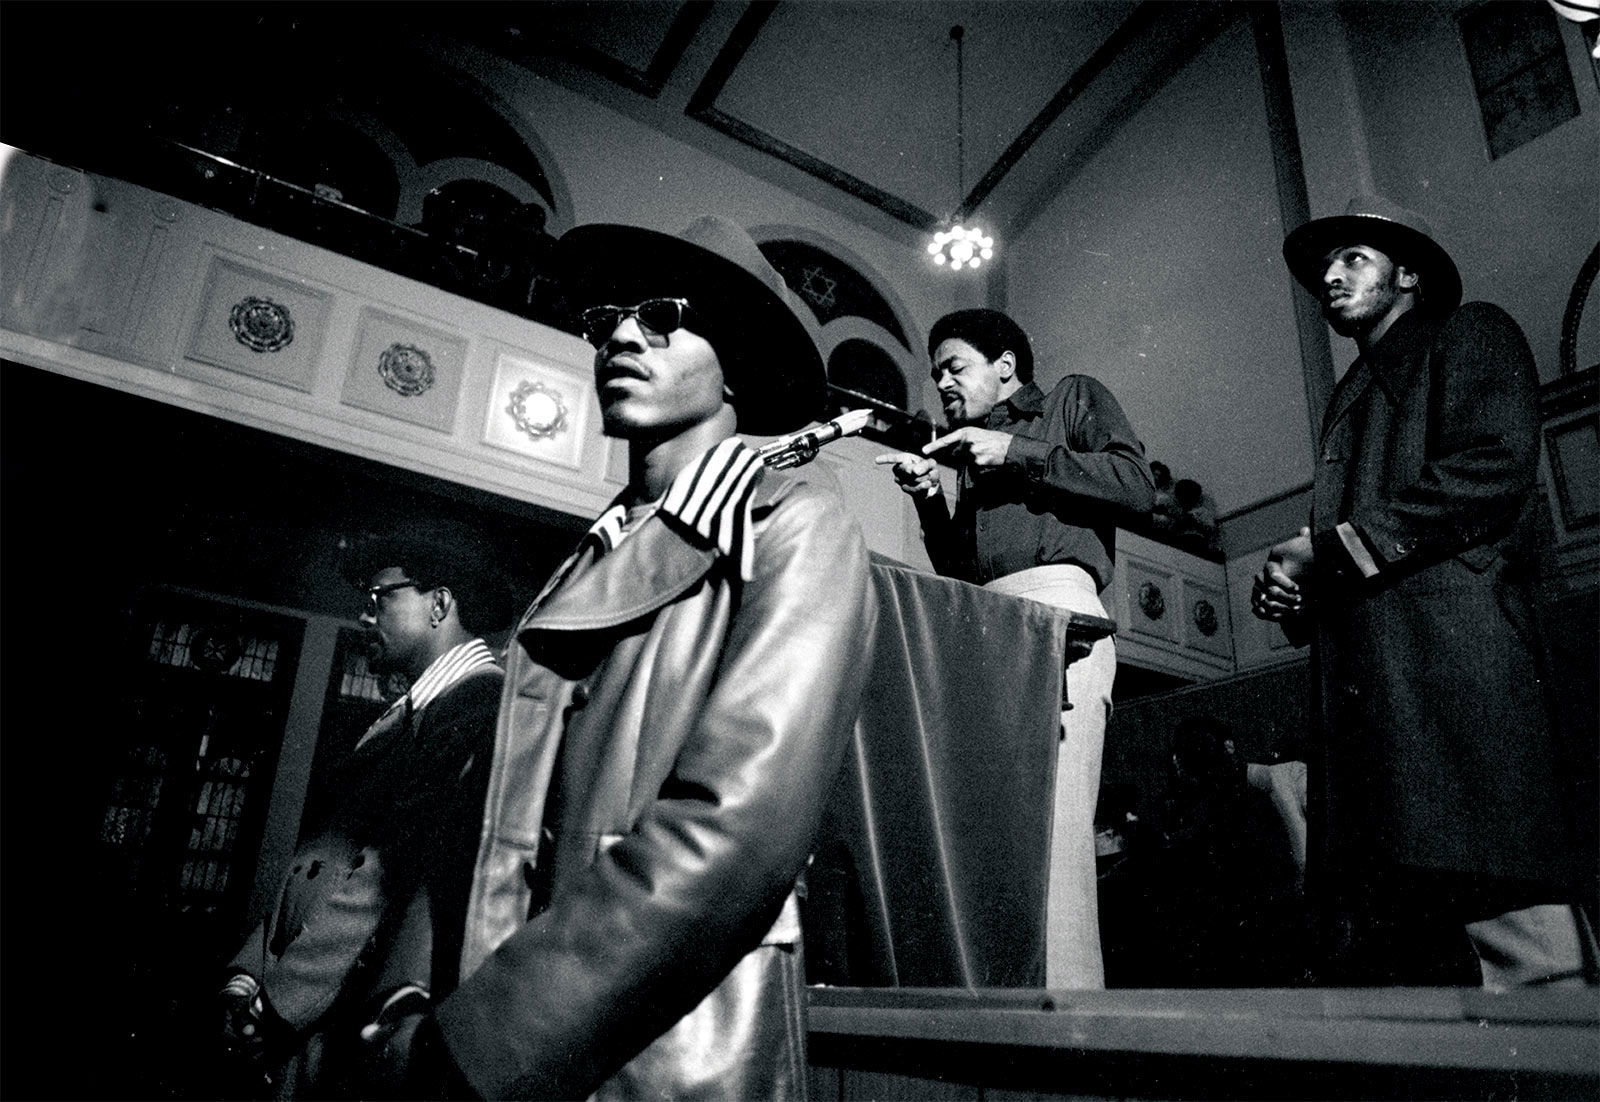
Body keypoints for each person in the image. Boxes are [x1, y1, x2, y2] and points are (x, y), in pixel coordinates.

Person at [359, 216, 875, 1099]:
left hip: (657, 1053)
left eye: (666, 316)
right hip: (483, 1030)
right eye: (609, 321)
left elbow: (735, 833)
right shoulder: (577, 564)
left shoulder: (792, 520)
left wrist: (474, 1046)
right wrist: (405, 1002)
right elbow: (482, 823)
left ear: (735, 362)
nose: (623, 336)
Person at [1252, 194, 1593, 988]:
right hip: (1382, 714)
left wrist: (1329, 552)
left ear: (1408, 273)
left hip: (1457, 694)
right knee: (1423, 982)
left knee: (1530, 968)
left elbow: (1490, 471)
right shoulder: (1353, 393)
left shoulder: (1469, 331)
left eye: (1353, 260)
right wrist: (1302, 597)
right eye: (1325, 267)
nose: (1330, 279)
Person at [876, 308, 1154, 989]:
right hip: (993, 625)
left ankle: (1069, 1008)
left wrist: (1017, 453)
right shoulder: (972, 451)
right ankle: (1008, 998)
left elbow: (1136, 487)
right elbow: (963, 571)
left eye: (954, 366)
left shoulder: (1070, 400)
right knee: (1000, 828)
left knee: (1057, 832)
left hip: (1062, 613)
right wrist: (927, 500)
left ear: (1005, 365)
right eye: (935, 371)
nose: (941, 382)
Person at [216, 532, 507, 1096]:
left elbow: (383, 883)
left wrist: (277, 1004)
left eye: (379, 598)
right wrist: (248, 972)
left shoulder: (475, 708)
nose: (364, 612)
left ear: (439, 605)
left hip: (335, 1022)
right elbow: (316, 860)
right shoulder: (409, 713)